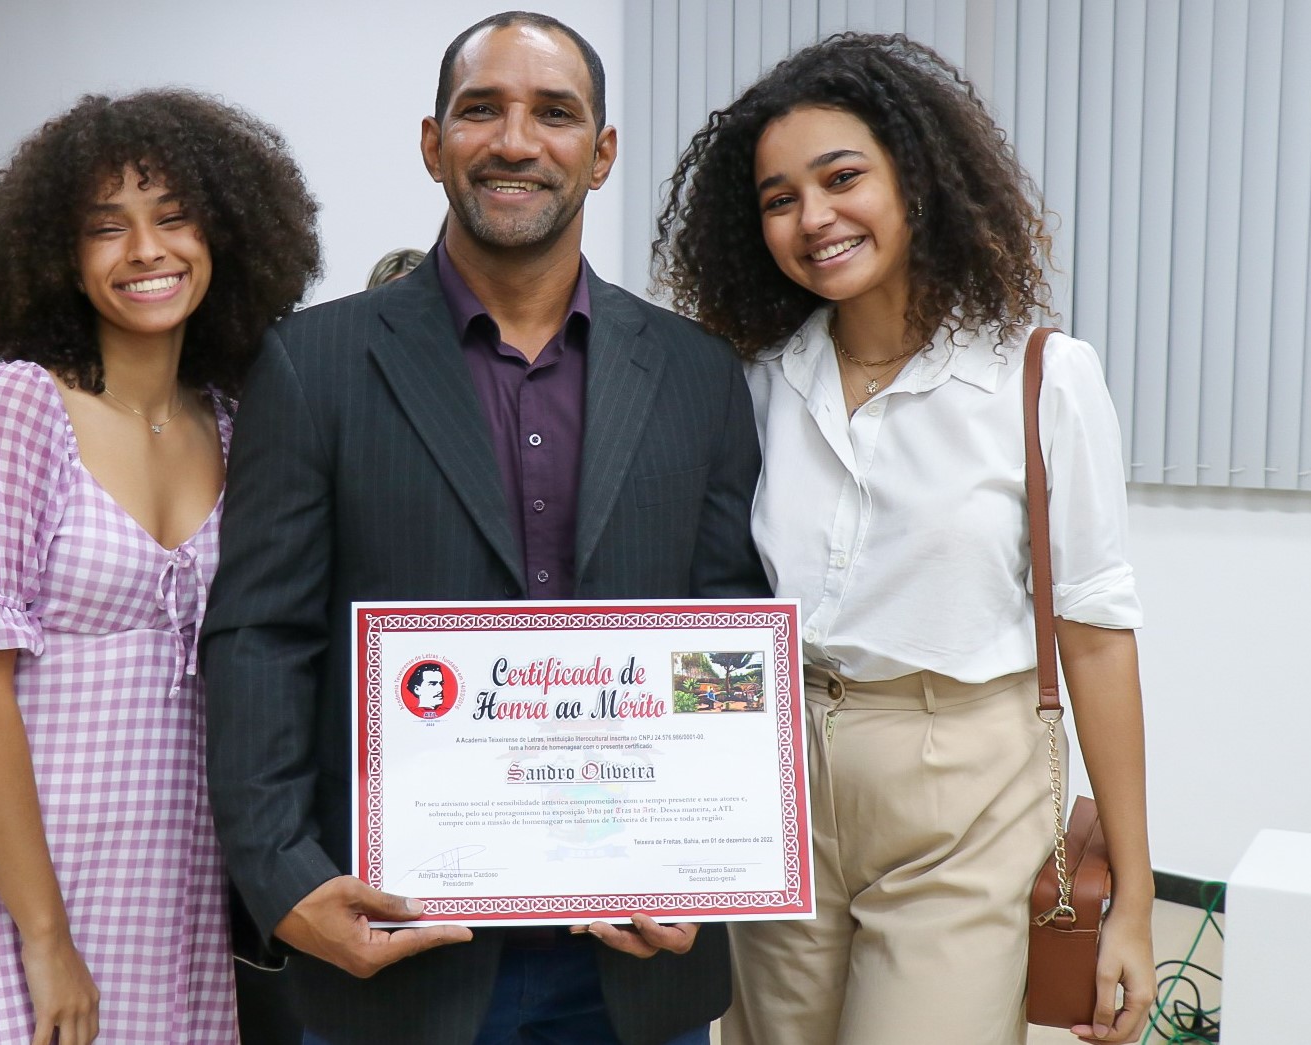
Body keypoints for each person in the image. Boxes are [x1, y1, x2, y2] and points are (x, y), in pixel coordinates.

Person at [202, 11, 767, 1045]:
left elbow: (722, 634)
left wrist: (707, 859)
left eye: (554, 113)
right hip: (394, 952)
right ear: (433, 143)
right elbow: (261, 639)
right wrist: (284, 879)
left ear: (599, 155)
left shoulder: (697, 375)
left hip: (635, 966)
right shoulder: (311, 366)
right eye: (481, 110)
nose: (515, 140)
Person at [654, 32, 1156, 1045]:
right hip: (780, 768)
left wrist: (1136, 898)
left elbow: (1096, 635)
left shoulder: (1043, 378)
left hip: (962, 782)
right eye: (779, 198)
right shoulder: (751, 383)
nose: (813, 218)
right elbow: (711, 609)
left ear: (916, 182)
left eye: (843, 178)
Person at [0, 89, 319, 1045]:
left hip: (165, 881)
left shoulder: (235, 423)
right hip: (0, 884)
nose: (146, 250)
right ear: (59, 259)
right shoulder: (19, 406)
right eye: (105, 228)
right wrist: (45, 935)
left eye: (173, 217)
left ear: (226, 233)